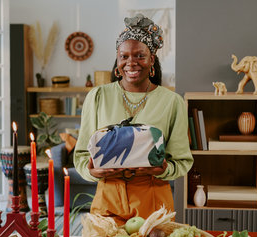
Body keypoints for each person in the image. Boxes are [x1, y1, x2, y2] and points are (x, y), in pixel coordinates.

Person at [74, 14, 193, 225]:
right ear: (117, 61)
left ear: (152, 60)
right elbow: (82, 155)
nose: (131, 63)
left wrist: (165, 169)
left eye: (140, 56)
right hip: (108, 194)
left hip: (153, 197)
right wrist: (92, 171)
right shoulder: (98, 96)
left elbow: (183, 160)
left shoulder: (172, 102)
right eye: (124, 56)